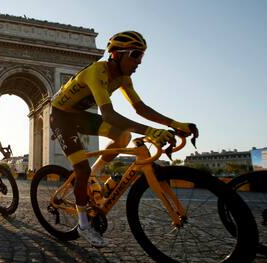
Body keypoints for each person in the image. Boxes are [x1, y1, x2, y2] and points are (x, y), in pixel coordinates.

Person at [50, 31, 198, 247]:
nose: (139, 62)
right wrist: (150, 131)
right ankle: (83, 225)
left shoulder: (123, 78)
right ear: (116, 55)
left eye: (142, 56)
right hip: (61, 116)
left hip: (80, 116)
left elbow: (140, 108)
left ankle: (95, 175)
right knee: (81, 169)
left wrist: (173, 124)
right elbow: (109, 115)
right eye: (135, 55)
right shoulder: (96, 71)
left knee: (123, 136)